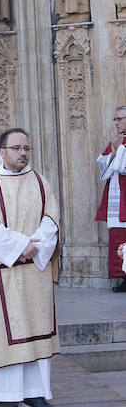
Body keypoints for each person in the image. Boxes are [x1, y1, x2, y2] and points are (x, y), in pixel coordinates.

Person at [0, 128, 60, 407]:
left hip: (34, 272)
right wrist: (19, 246)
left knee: (34, 328)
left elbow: (51, 219)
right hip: (0, 273)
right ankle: (1, 395)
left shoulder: (40, 182)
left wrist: (35, 248)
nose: (22, 153)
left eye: (26, 148)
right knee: (2, 329)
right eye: (16, 148)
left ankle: (35, 392)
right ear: (2, 152)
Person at [96, 105, 126, 292]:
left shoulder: (119, 142)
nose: (116, 123)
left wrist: (119, 149)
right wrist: (115, 152)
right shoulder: (117, 141)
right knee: (118, 236)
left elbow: (123, 167)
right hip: (117, 195)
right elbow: (103, 165)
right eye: (114, 119)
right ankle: (123, 277)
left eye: (119, 119)